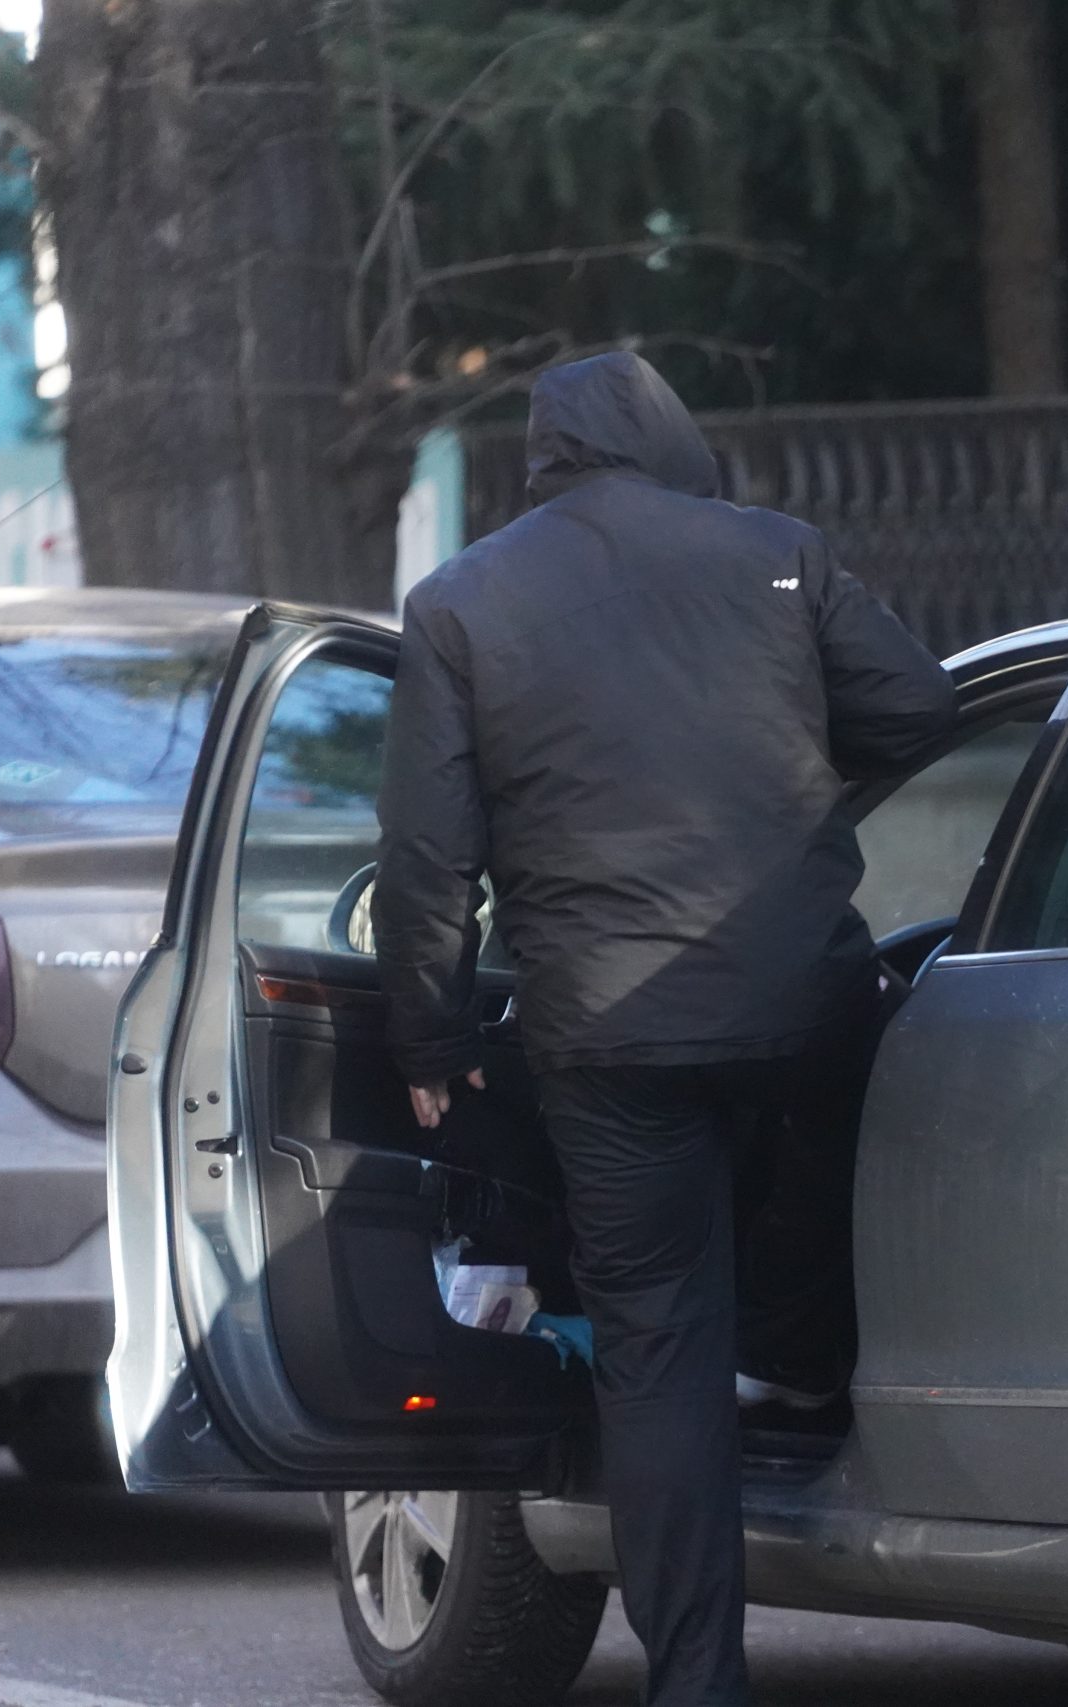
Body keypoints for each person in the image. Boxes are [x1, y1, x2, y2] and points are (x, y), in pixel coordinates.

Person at [372, 351, 956, 1707]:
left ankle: (699, 1680)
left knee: (659, 1354)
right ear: (670, 436)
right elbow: (922, 707)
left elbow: (426, 858)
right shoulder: (777, 553)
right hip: (803, 995)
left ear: (546, 454)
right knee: (833, 1149)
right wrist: (788, 792)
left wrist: (431, 1040)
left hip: (603, 1039)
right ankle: (801, 1354)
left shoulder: (462, 602)